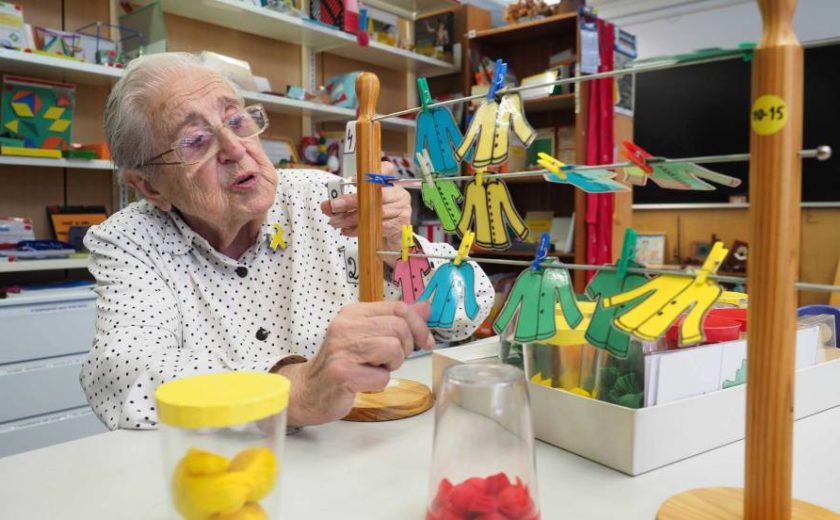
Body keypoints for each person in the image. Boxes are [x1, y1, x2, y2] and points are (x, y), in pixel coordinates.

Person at [80, 52, 493, 430]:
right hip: (225, 471)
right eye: (195, 141)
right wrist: (294, 390)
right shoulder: (129, 239)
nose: (235, 148)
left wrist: (398, 249)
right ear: (149, 187)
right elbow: (121, 373)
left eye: (236, 120)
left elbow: (467, 313)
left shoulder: (324, 198)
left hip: (355, 454)